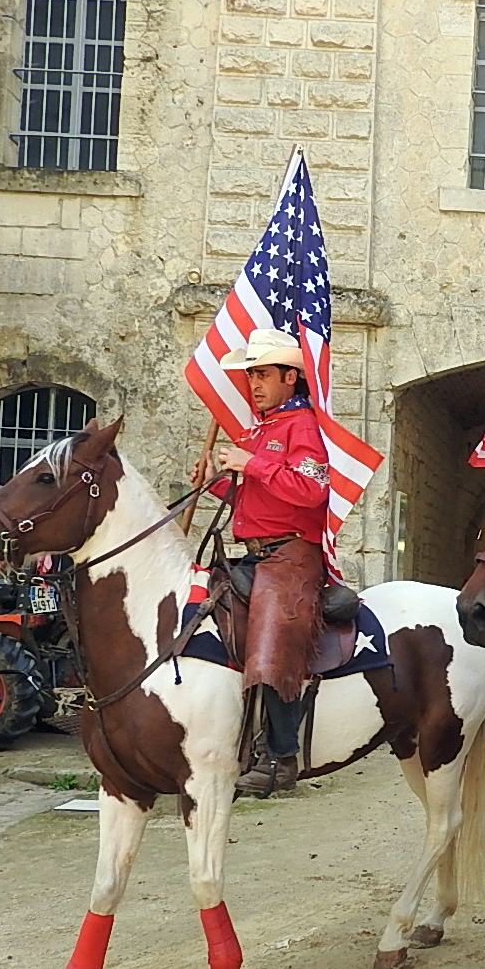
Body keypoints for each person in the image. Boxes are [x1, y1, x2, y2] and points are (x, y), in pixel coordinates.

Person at [190, 328, 333, 796]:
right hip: (254, 554)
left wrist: (250, 463)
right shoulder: (260, 429)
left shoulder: (303, 427)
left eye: (264, 374)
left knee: (274, 636)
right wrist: (215, 479)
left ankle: (281, 756)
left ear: (291, 376)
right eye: (251, 375)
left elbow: (311, 491)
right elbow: (255, 501)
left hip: (292, 556)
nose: (254, 384)